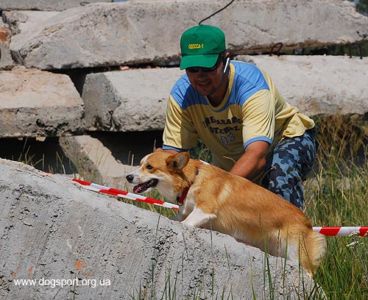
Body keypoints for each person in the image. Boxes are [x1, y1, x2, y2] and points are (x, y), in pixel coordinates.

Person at [162, 24, 316, 209]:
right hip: (234, 162)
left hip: (287, 141)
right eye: (193, 69)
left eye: (208, 67)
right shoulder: (181, 96)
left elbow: (257, 155)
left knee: (278, 178)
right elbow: (171, 156)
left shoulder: (250, 86)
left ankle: (295, 235)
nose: (200, 76)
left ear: (225, 59)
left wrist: (217, 192)